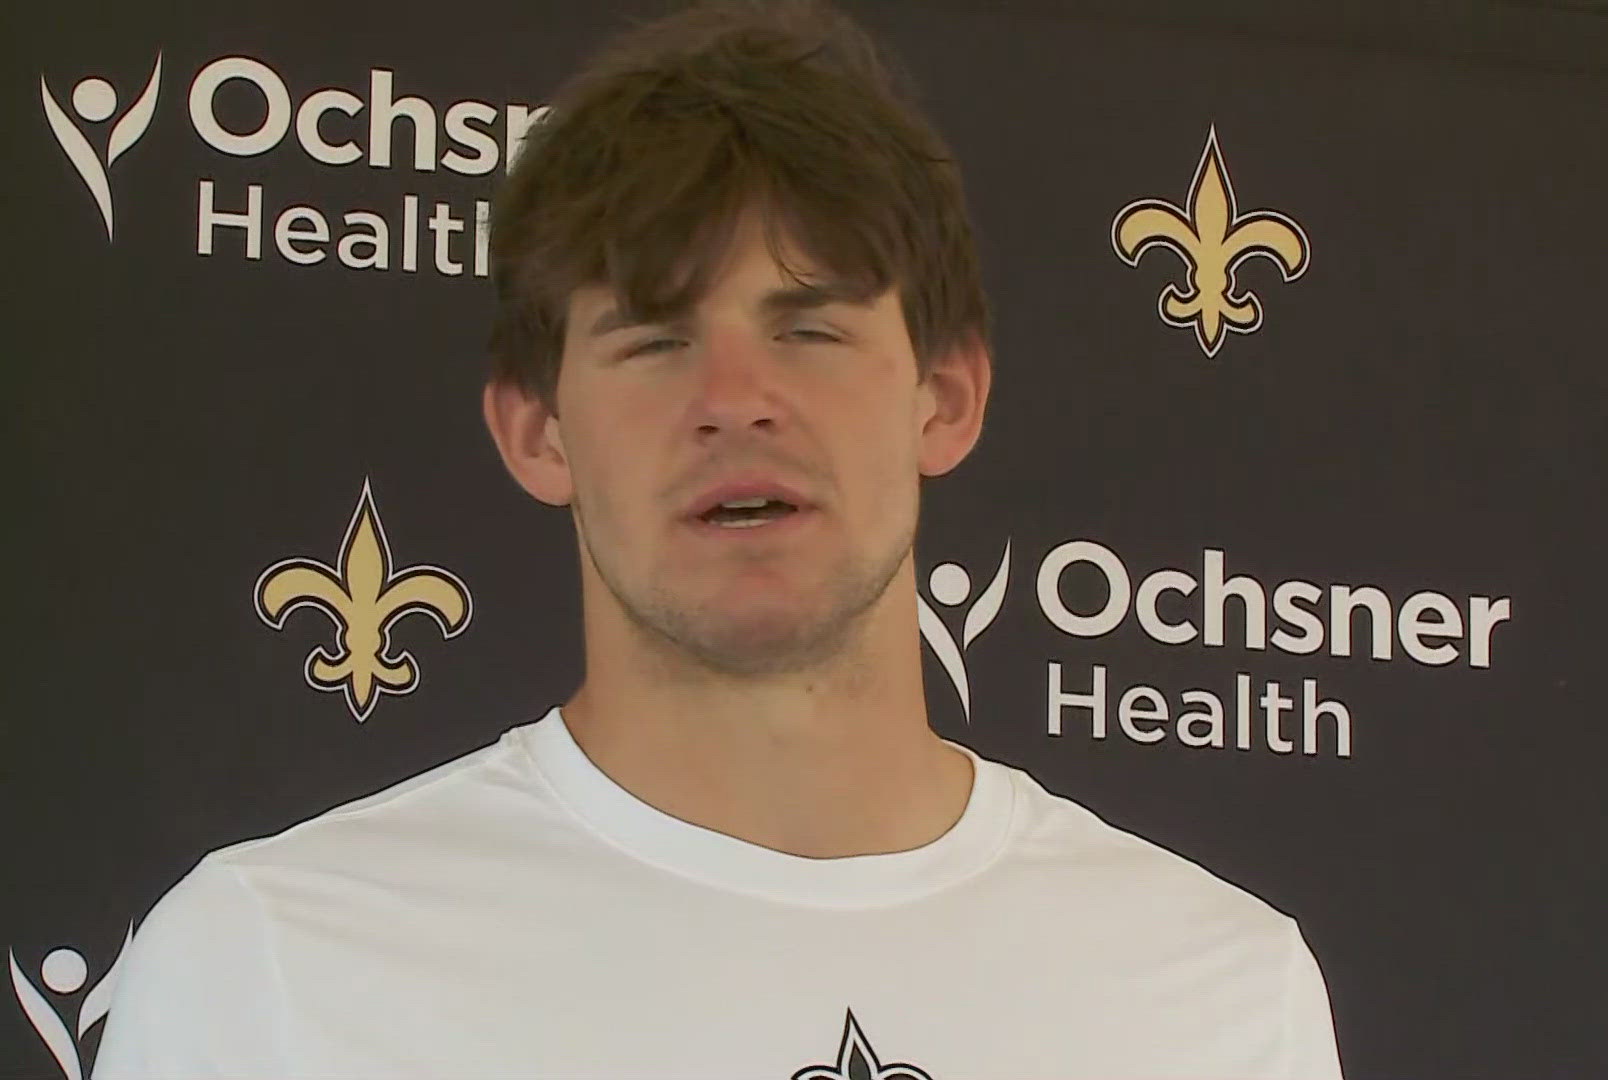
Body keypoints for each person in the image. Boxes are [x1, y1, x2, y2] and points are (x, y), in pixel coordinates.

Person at [92, 2, 1344, 1076]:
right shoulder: (275, 968)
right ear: (539, 434)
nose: (737, 398)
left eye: (811, 328)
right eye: (653, 337)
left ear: (945, 399)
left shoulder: (1219, 993)